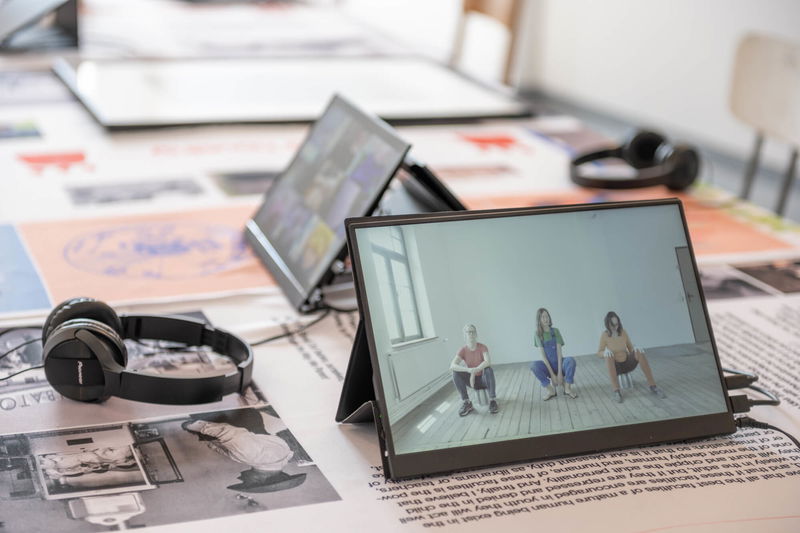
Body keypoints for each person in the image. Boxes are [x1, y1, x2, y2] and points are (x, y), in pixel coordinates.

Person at [182, 408, 308, 493]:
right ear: (260, 479)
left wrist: (208, 441)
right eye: (246, 482)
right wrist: (194, 426)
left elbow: (228, 449)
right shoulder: (254, 457)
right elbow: (227, 432)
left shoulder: (280, 458)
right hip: (221, 415)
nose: (240, 478)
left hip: (244, 413)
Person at [597, 311, 666, 403]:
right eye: (612, 325)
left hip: (627, 364)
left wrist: (635, 348)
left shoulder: (623, 332)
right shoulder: (605, 335)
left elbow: (630, 348)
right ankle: (616, 391)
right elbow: (599, 352)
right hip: (615, 366)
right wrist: (605, 352)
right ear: (607, 324)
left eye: (616, 324)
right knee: (608, 356)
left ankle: (653, 386)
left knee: (639, 351)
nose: (615, 327)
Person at [450, 324, 499, 416]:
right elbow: (452, 365)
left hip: (484, 379)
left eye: (473, 332)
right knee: (455, 373)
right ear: (465, 335)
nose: (471, 334)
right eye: (468, 332)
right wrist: (468, 370)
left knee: (488, 369)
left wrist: (476, 369)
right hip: (471, 381)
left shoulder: (482, 347)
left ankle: (492, 400)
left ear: (476, 334)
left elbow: (487, 361)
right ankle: (467, 402)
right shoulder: (462, 350)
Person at [530, 308, 577, 400]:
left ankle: (567, 388)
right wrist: (552, 375)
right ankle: (551, 390)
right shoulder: (537, 334)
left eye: (547, 316)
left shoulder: (555, 331)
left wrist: (559, 373)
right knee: (533, 365)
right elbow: (543, 357)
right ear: (539, 320)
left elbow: (559, 353)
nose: (546, 319)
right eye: (543, 317)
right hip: (548, 366)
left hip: (559, 364)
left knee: (571, 361)